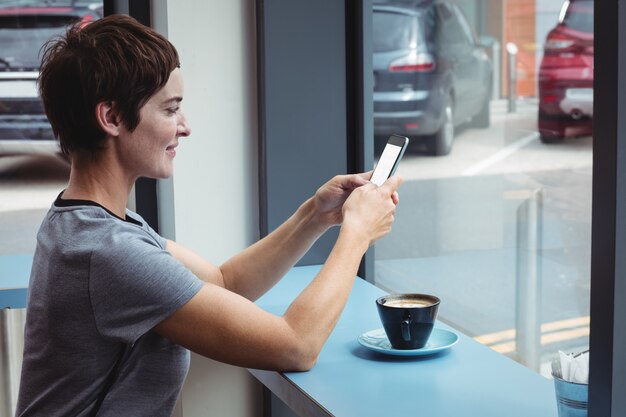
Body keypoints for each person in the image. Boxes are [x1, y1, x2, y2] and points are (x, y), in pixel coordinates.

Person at [15, 14, 402, 417]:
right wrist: (357, 234)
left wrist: (315, 215)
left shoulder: (90, 222)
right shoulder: (109, 253)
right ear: (111, 118)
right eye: (170, 110)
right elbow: (296, 345)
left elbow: (224, 283)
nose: (185, 128)